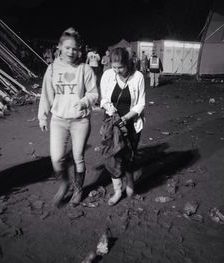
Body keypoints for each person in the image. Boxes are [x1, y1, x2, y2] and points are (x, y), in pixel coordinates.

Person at [38, 28, 98, 207]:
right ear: (59, 47)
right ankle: (64, 183)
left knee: (78, 156)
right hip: (58, 120)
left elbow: (94, 94)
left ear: (79, 49)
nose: (71, 52)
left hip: (80, 120)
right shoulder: (53, 68)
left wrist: (84, 102)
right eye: (67, 48)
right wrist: (42, 116)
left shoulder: (85, 68)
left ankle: (78, 189)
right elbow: (46, 94)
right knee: (56, 158)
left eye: (75, 48)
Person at [100, 47, 145, 206]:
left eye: (120, 67)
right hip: (112, 124)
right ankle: (118, 190)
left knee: (129, 155)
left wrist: (126, 118)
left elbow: (141, 104)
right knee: (113, 157)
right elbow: (103, 99)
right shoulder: (107, 75)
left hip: (132, 123)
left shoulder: (138, 76)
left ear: (128, 63)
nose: (117, 71)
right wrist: (110, 110)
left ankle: (130, 183)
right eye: (114, 67)